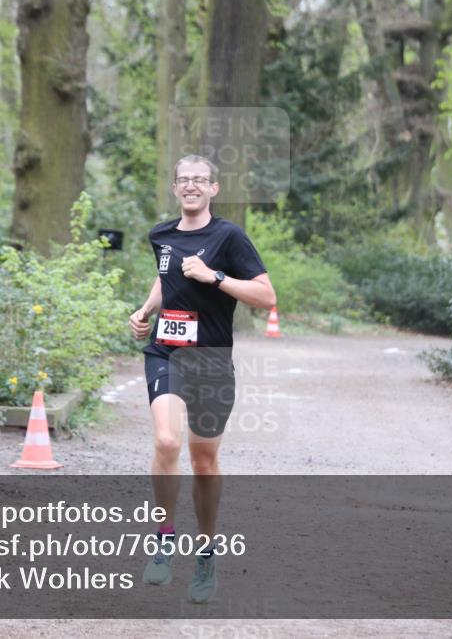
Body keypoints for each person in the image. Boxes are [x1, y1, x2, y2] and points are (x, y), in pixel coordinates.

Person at [128, 155, 276, 603]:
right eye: (184, 180)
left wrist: (216, 277)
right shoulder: (162, 235)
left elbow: (266, 297)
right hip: (166, 353)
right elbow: (164, 275)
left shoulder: (229, 236)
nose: (191, 186)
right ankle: (164, 539)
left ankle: (206, 551)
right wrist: (146, 310)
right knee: (167, 442)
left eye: (200, 180)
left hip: (211, 360)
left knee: (204, 461)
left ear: (214, 188)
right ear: (175, 188)